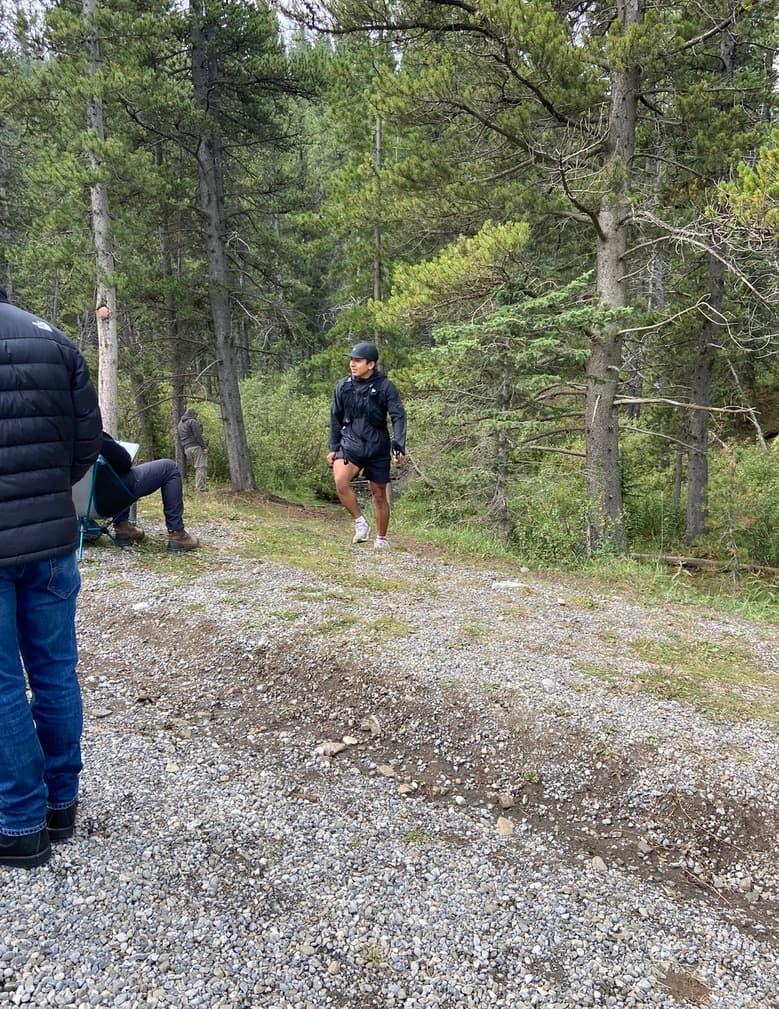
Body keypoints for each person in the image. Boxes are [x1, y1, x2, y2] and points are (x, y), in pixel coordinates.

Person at [0, 287, 102, 868]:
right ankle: (61, 805)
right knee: (56, 673)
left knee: (3, 684)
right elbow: (88, 443)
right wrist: (46, 493)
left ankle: (19, 823)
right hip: (52, 539)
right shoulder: (53, 339)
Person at [327, 341, 407, 549]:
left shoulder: (385, 387)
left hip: (376, 444)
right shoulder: (343, 386)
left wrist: (398, 445)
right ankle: (360, 522)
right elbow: (335, 417)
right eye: (351, 360)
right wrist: (333, 447)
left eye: (358, 360)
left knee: (379, 495)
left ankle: (381, 539)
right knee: (340, 480)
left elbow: (398, 415)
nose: (353, 364)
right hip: (350, 442)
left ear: (370, 364)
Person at [98, 434, 199, 553]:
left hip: (81, 505)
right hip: (108, 497)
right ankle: (177, 534)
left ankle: (121, 528)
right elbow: (124, 461)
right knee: (169, 468)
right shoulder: (86, 428)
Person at [177, 407, 208, 492]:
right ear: (193, 414)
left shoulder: (180, 424)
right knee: (201, 466)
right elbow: (198, 435)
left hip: (187, 449)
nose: (196, 417)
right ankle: (200, 488)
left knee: (197, 467)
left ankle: (198, 486)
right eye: (195, 415)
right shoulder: (192, 422)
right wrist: (204, 447)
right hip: (196, 447)